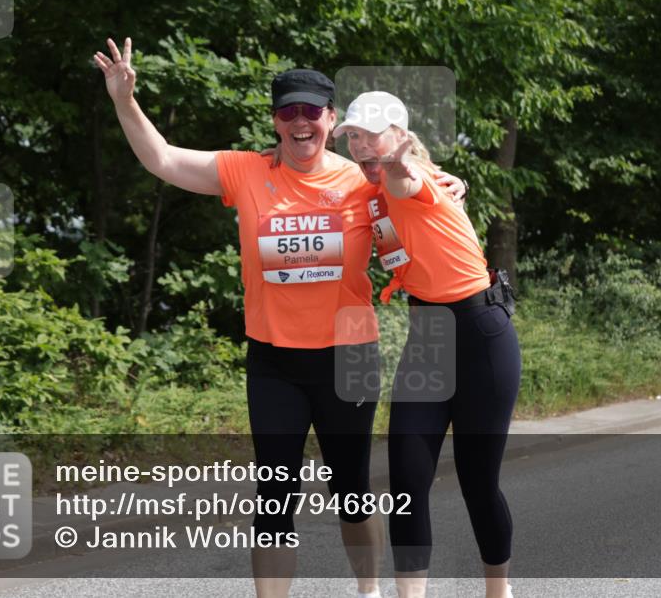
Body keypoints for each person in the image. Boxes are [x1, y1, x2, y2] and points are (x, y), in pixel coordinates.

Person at [93, 39, 466, 598]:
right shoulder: (245, 171)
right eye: (288, 112)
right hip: (274, 362)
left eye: (311, 111)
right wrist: (125, 100)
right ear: (275, 121)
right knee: (274, 497)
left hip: (349, 356)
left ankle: (368, 593)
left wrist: (457, 184)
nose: (299, 122)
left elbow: (420, 195)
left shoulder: (361, 182)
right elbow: (163, 159)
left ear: (331, 120)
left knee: (352, 492)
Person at [333, 91, 521, 598]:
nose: (360, 145)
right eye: (353, 136)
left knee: (478, 481)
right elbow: (317, 174)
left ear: (400, 135)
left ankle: (498, 591)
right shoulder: (369, 186)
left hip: (482, 333)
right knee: (407, 482)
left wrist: (397, 161)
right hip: (428, 338)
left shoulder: (415, 180)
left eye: (372, 135)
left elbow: (405, 179)